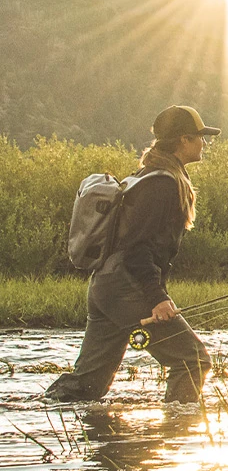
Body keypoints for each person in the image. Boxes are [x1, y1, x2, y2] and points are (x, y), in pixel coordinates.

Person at [46, 105, 218, 405]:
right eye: (200, 137)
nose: (204, 143)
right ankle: (176, 431)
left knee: (88, 385)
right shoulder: (163, 185)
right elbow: (138, 248)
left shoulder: (149, 176)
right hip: (127, 288)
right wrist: (156, 298)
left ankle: (40, 414)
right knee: (192, 360)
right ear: (183, 141)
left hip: (106, 286)